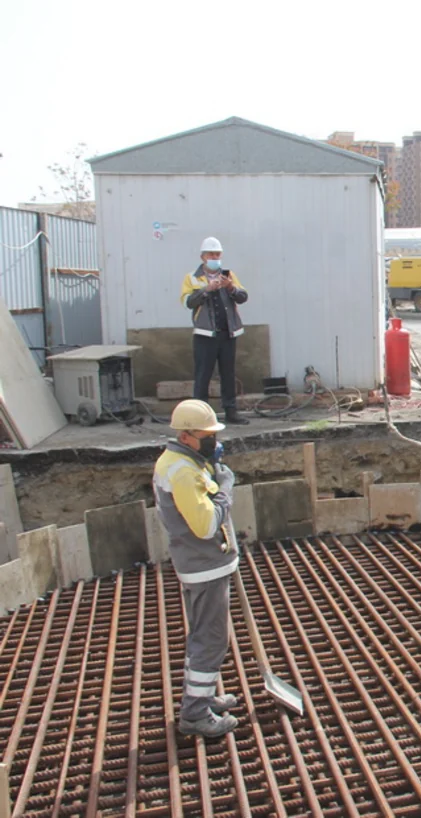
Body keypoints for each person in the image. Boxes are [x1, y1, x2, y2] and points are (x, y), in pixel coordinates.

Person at [154, 399, 240, 737]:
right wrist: (226, 491)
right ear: (187, 436)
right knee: (211, 639)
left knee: (203, 635)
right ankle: (195, 715)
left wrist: (212, 470)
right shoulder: (184, 470)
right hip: (205, 567)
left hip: (202, 563)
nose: (213, 441)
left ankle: (201, 697)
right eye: (207, 436)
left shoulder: (182, 460)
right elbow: (204, 526)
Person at [181, 236, 250, 425]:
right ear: (203, 256)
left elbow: (243, 297)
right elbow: (188, 302)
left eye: (217, 254)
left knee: (228, 373)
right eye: (211, 254)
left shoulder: (229, 275)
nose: (214, 257)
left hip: (228, 332)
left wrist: (231, 288)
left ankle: (231, 411)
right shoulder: (192, 278)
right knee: (203, 374)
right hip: (205, 333)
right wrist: (206, 290)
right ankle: (200, 416)